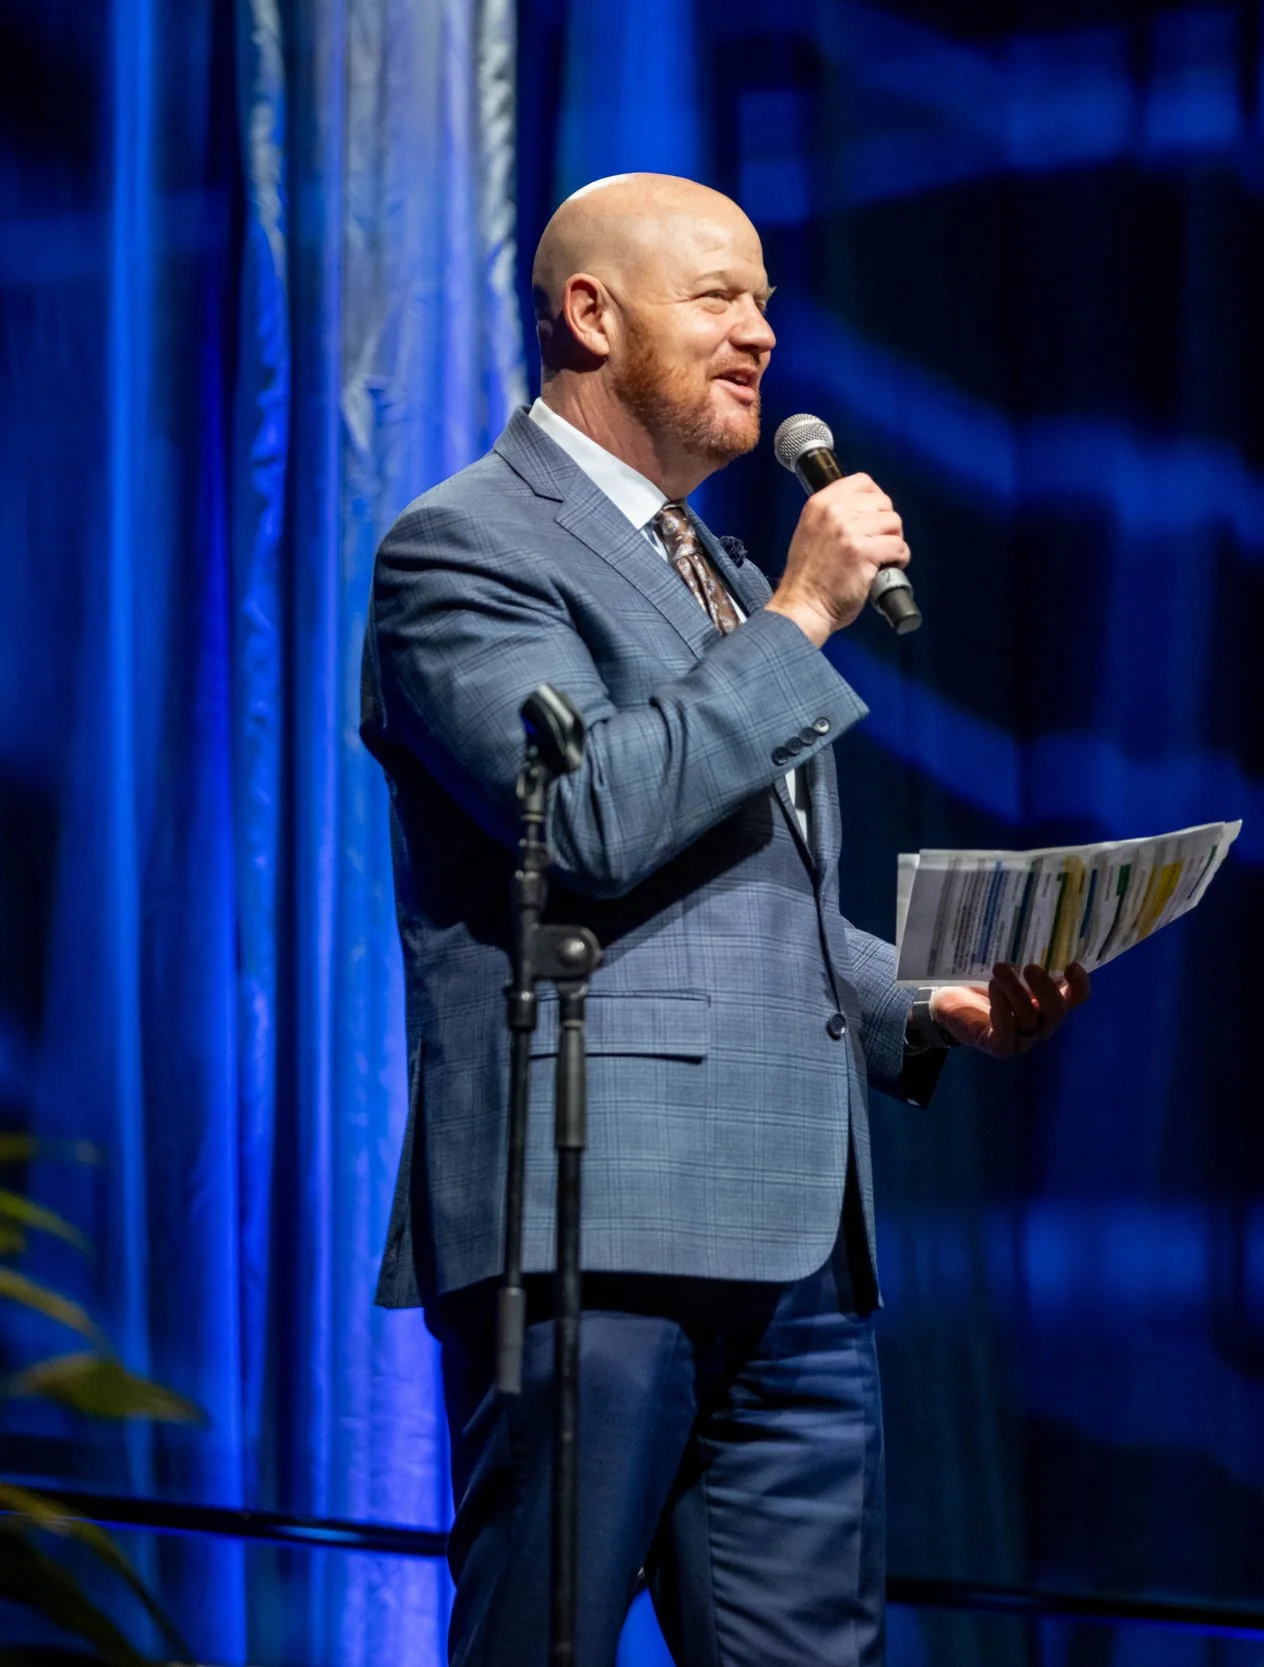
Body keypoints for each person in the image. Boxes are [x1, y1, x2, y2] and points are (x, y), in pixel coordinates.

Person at [361, 173, 1087, 1666]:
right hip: (594, 1223)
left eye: (763, 297)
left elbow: (758, 904)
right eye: (719, 296)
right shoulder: (464, 546)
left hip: (800, 1240)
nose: (761, 331)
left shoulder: (722, 573)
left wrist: (926, 996)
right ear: (589, 314)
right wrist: (803, 620)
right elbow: (589, 819)